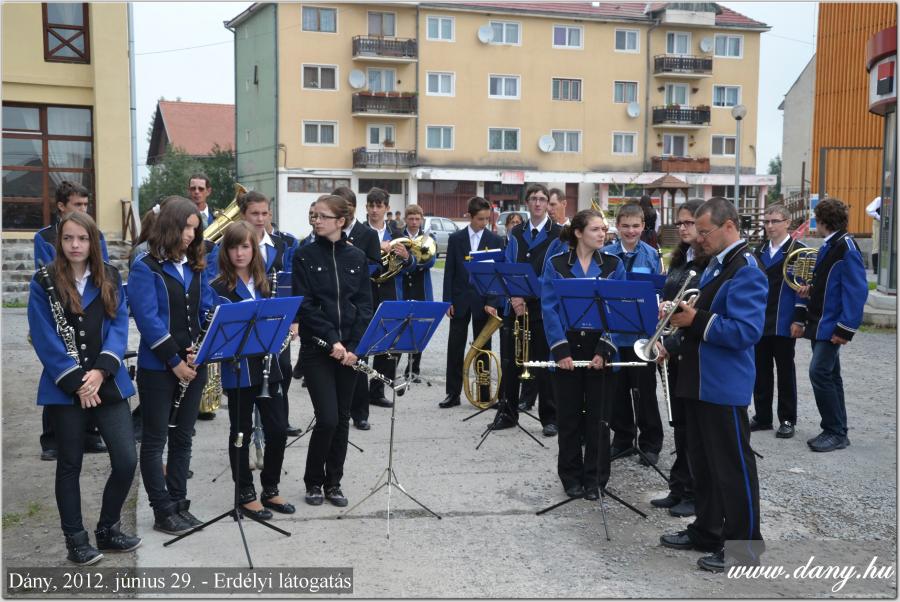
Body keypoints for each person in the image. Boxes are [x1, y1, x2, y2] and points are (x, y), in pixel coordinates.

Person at [659, 197, 767, 573]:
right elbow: (704, 316)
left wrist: (696, 319)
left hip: (722, 383)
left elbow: (746, 331)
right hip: (698, 379)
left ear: (729, 226)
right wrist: (677, 322)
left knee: (732, 468)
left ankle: (744, 549)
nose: (698, 238)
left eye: (704, 232)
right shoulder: (715, 264)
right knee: (702, 464)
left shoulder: (746, 269)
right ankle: (707, 530)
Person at [28, 212, 141, 565]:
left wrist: (101, 371)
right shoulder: (44, 280)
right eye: (67, 238)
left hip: (105, 381)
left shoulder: (110, 275)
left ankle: (107, 529)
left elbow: (118, 326)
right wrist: (77, 382)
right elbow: (43, 336)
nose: (75, 245)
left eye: (82, 238)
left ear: (93, 241)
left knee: (126, 459)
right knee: (69, 464)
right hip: (66, 387)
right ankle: (75, 541)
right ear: (59, 242)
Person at [128, 196, 216, 535]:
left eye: (195, 229)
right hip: (159, 367)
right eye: (186, 228)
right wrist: (175, 360)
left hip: (194, 363)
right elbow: (147, 320)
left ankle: (179, 503)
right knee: (155, 441)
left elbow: (206, 307)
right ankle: (162, 510)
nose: (191, 235)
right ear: (170, 226)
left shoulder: (195, 265)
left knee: (183, 437)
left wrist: (202, 345)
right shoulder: (145, 266)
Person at [292, 194, 374, 507]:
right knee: (326, 418)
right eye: (314, 215)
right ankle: (313, 481)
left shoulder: (357, 257)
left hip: (350, 352)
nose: (316, 221)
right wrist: (332, 339)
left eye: (323, 216)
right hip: (317, 350)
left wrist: (354, 346)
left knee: (341, 419)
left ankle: (333, 483)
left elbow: (364, 305)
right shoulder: (304, 255)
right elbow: (306, 305)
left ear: (341, 221)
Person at [211, 221, 295, 519]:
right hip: (239, 371)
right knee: (240, 432)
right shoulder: (218, 288)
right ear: (226, 251)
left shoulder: (267, 283)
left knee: (278, 430)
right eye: (233, 247)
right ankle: (245, 493)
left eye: (245, 246)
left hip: (270, 368)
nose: (239, 253)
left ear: (254, 249)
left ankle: (270, 488)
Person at [542, 209, 625, 499]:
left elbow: (618, 309)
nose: (603, 234)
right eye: (596, 229)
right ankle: (571, 478)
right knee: (569, 419)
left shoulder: (614, 264)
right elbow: (549, 309)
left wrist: (604, 349)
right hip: (566, 349)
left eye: (604, 229)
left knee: (599, 421)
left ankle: (596, 480)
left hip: (601, 350)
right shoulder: (555, 264)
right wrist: (560, 349)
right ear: (578, 233)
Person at [34, 181, 110, 461]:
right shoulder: (45, 236)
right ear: (61, 206)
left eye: (86, 205)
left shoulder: (96, 234)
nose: (83, 209)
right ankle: (51, 438)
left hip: (88, 308)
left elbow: (103, 270)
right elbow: (46, 272)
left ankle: (89, 432)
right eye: (77, 205)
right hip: (60, 308)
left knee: (89, 369)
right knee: (58, 373)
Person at [793, 198, 867, 453]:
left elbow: (856, 291)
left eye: (816, 219)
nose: (815, 223)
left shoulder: (846, 247)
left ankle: (834, 431)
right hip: (821, 322)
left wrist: (845, 328)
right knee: (831, 375)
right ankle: (838, 430)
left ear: (823, 221)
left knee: (819, 373)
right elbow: (829, 281)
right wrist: (811, 289)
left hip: (832, 324)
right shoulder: (832, 244)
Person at [649, 199, 708, 519]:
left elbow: (696, 311)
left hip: (690, 350)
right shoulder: (680, 258)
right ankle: (679, 486)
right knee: (680, 425)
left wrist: (671, 343)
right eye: (680, 223)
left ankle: (694, 492)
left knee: (694, 428)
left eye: (689, 223)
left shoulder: (707, 263)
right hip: (672, 348)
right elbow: (672, 301)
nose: (683, 229)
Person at [493, 184, 566, 436]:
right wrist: (515, 296)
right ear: (527, 202)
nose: (537, 203)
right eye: (533, 198)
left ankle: (550, 418)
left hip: (542, 308)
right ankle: (508, 413)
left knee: (545, 364)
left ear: (548, 203)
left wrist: (527, 295)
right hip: (515, 306)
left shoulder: (559, 234)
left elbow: (555, 272)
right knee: (510, 362)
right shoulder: (515, 233)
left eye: (542, 199)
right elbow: (508, 266)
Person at [603, 203, 664, 465]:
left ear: (643, 226)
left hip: (642, 336)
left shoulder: (652, 256)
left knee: (645, 392)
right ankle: (623, 439)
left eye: (636, 226)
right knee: (617, 391)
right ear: (617, 226)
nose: (630, 231)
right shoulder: (605, 254)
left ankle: (650, 443)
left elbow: (658, 294)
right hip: (614, 335)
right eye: (625, 226)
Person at [439, 196, 503, 408]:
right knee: (455, 348)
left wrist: (492, 301)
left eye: (487, 219)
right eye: (480, 219)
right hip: (459, 300)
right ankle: (452, 394)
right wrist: (447, 301)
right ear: (470, 216)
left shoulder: (495, 240)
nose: (484, 223)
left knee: (483, 348)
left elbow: (497, 274)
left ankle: (484, 394)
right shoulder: (456, 239)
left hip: (484, 302)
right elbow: (449, 271)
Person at [750, 205, 804, 438]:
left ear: (787, 223)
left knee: (785, 372)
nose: (770, 226)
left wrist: (799, 320)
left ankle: (787, 419)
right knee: (760, 371)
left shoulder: (798, 251)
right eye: (767, 221)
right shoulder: (759, 250)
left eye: (775, 221)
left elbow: (803, 289)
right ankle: (763, 417)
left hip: (784, 319)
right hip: (760, 320)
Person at [331, 186, 381, 431]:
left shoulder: (368, 234)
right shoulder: (328, 231)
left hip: (357, 304)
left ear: (354, 207)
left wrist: (353, 255)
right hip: (334, 306)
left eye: (348, 206)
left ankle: (360, 413)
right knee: (334, 359)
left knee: (359, 360)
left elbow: (376, 265)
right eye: (340, 206)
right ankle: (335, 412)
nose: (345, 210)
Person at [366, 188, 415, 410]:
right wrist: (377, 248)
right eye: (371, 205)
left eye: (379, 206)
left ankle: (376, 391)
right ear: (366, 207)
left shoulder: (397, 234)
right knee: (363, 344)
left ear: (386, 208)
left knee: (389, 345)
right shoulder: (359, 232)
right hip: (365, 294)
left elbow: (412, 266)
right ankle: (358, 395)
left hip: (390, 294)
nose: (374, 210)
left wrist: (407, 257)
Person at [399, 204, 436, 381]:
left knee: (418, 330)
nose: (414, 222)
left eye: (417, 219)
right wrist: (413, 261)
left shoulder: (428, 238)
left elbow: (430, 261)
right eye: (411, 218)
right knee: (399, 328)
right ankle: (391, 367)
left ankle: (413, 370)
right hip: (402, 287)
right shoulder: (398, 237)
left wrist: (410, 261)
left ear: (421, 220)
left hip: (421, 288)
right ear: (405, 219)